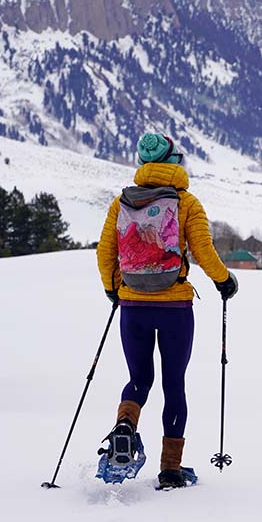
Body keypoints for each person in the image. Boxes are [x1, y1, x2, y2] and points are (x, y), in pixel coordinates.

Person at [96, 132, 239, 488]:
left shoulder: (122, 202)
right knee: (174, 383)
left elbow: (105, 251)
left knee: (139, 379)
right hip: (175, 306)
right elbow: (204, 251)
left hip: (132, 304)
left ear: (144, 165)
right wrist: (224, 281)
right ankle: (170, 470)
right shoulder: (187, 202)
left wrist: (113, 288)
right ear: (175, 163)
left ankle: (125, 427)